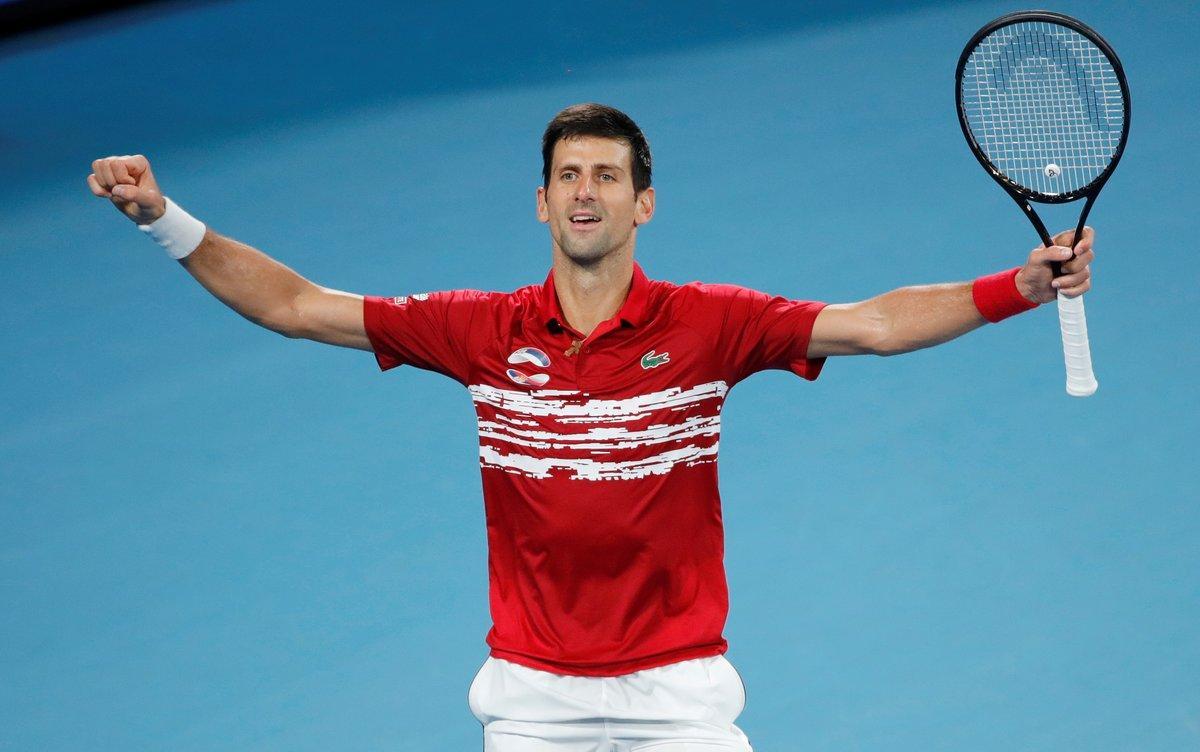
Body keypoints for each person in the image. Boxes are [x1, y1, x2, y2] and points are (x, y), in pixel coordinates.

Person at [87, 103, 1093, 751]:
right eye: (569, 174)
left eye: (607, 175)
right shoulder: (478, 330)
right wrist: (163, 218)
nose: (585, 191)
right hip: (531, 701)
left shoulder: (711, 321)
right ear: (540, 201)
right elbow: (297, 305)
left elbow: (873, 324)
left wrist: (1018, 285)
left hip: (682, 692)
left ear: (643, 203)